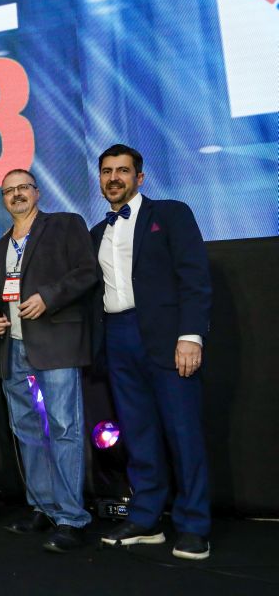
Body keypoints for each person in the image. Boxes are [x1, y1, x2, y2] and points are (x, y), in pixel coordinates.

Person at [92, 144, 212, 560]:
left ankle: (194, 525)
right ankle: (146, 518)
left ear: (139, 178)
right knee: (138, 434)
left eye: (122, 170)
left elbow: (194, 277)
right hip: (117, 337)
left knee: (183, 433)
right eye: (107, 171)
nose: (114, 178)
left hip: (167, 337)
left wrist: (190, 336)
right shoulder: (96, 232)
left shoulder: (171, 214)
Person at [0, 169, 97, 552]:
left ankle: (71, 518)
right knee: (27, 432)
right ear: (3, 198)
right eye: (9, 190)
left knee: (65, 429)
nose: (16, 194)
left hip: (57, 343)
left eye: (23, 188)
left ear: (37, 192)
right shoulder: (0, 247)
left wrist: (49, 297)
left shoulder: (65, 224)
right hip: (14, 347)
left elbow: (87, 272)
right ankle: (43, 507)